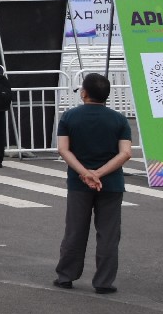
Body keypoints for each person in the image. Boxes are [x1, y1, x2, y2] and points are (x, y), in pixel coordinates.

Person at [54, 72, 133, 294]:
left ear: (84, 93)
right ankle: (104, 282)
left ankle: (66, 276)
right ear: (106, 95)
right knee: (108, 234)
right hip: (111, 182)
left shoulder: (69, 117)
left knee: (75, 230)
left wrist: (85, 173)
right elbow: (126, 153)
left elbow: (63, 149)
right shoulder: (119, 119)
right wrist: (99, 173)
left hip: (78, 182)